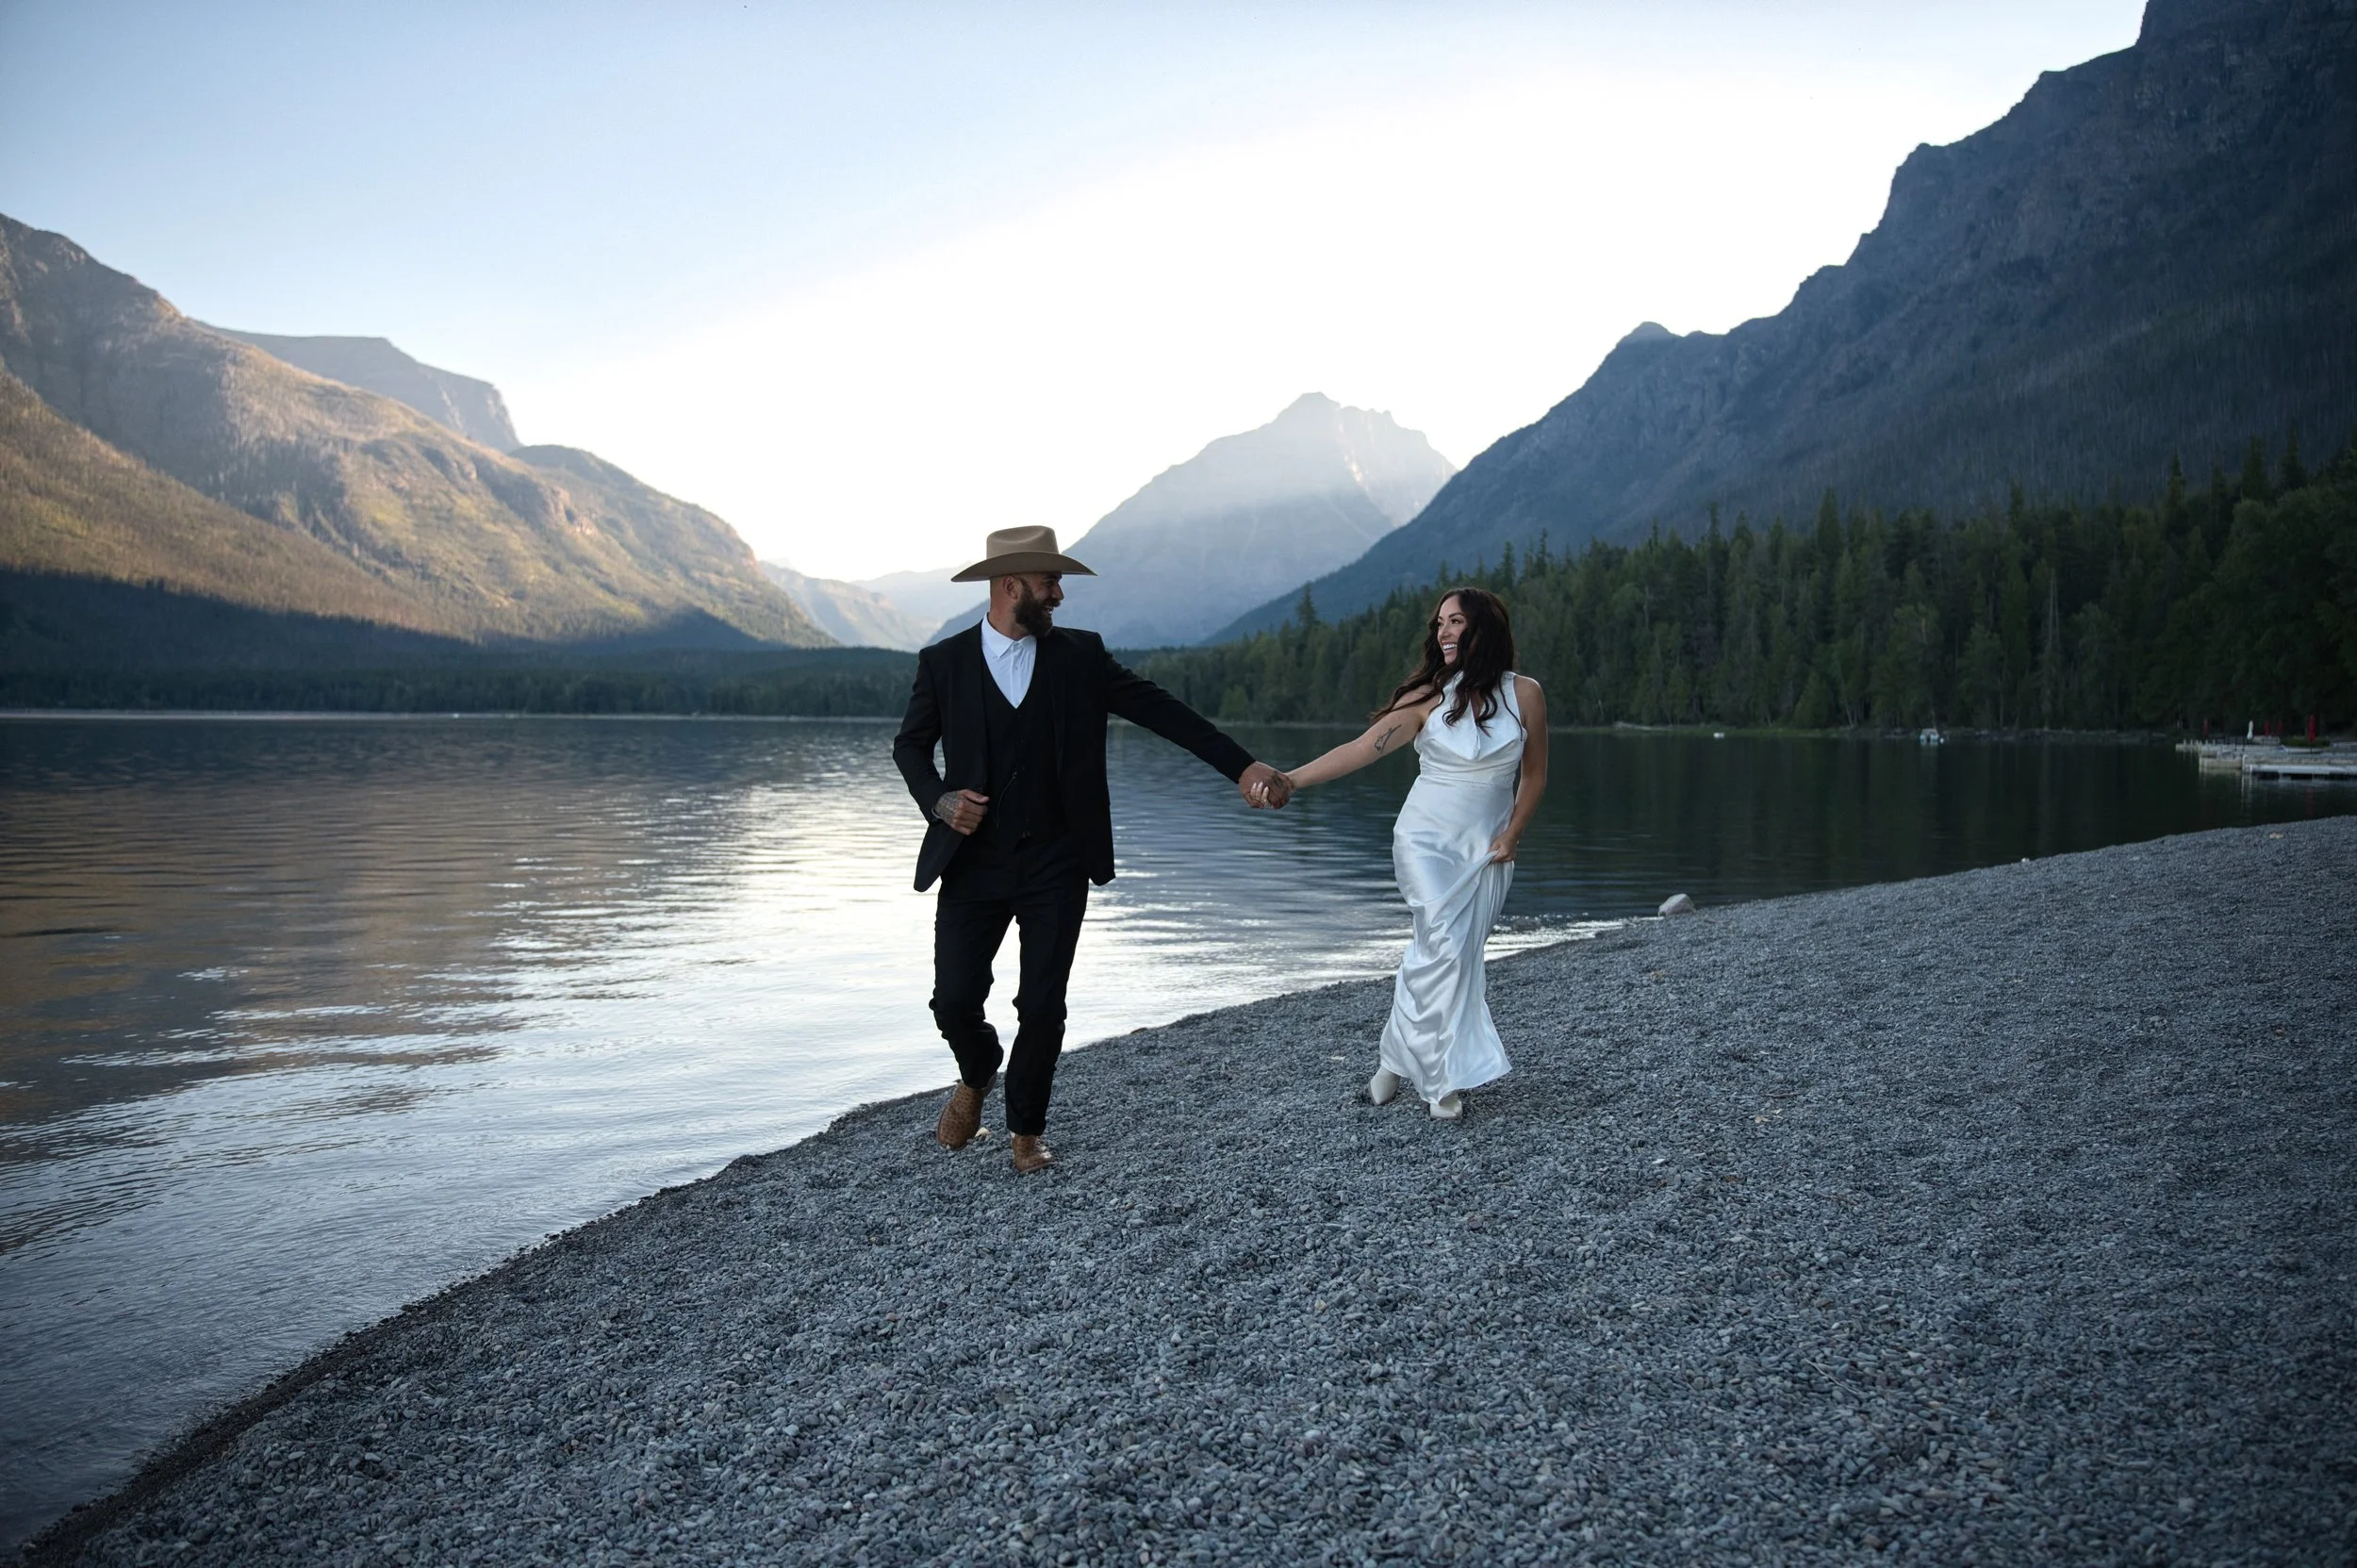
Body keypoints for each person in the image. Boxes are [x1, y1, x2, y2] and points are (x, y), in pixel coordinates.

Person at [893, 525, 1292, 1174]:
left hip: (1058, 857)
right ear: (1010, 584)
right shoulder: (944, 663)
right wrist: (939, 799)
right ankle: (978, 1069)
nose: (1059, 595)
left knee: (1043, 1003)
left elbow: (1168, 713)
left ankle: (1026, 1129)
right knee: (953, 999)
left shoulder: (1081, 657)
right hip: (973, 859)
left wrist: (1243, 768)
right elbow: (909, 747)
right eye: (1050, 582)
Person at [1259, 586, 1546, 1119]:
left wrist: (1514, 832)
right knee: (1441, 945)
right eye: (1439, 624)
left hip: (1488, 847)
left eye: (1455, 622)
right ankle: (1440, 1083)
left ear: (1484, 628)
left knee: (1451, 957)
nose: (1443, 632)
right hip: (1425, 841)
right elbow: (1360, 749)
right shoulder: (1427, 698)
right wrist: (1290, 780)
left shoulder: (1525, 694)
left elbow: (1535, 774)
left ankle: (1393, 1060)